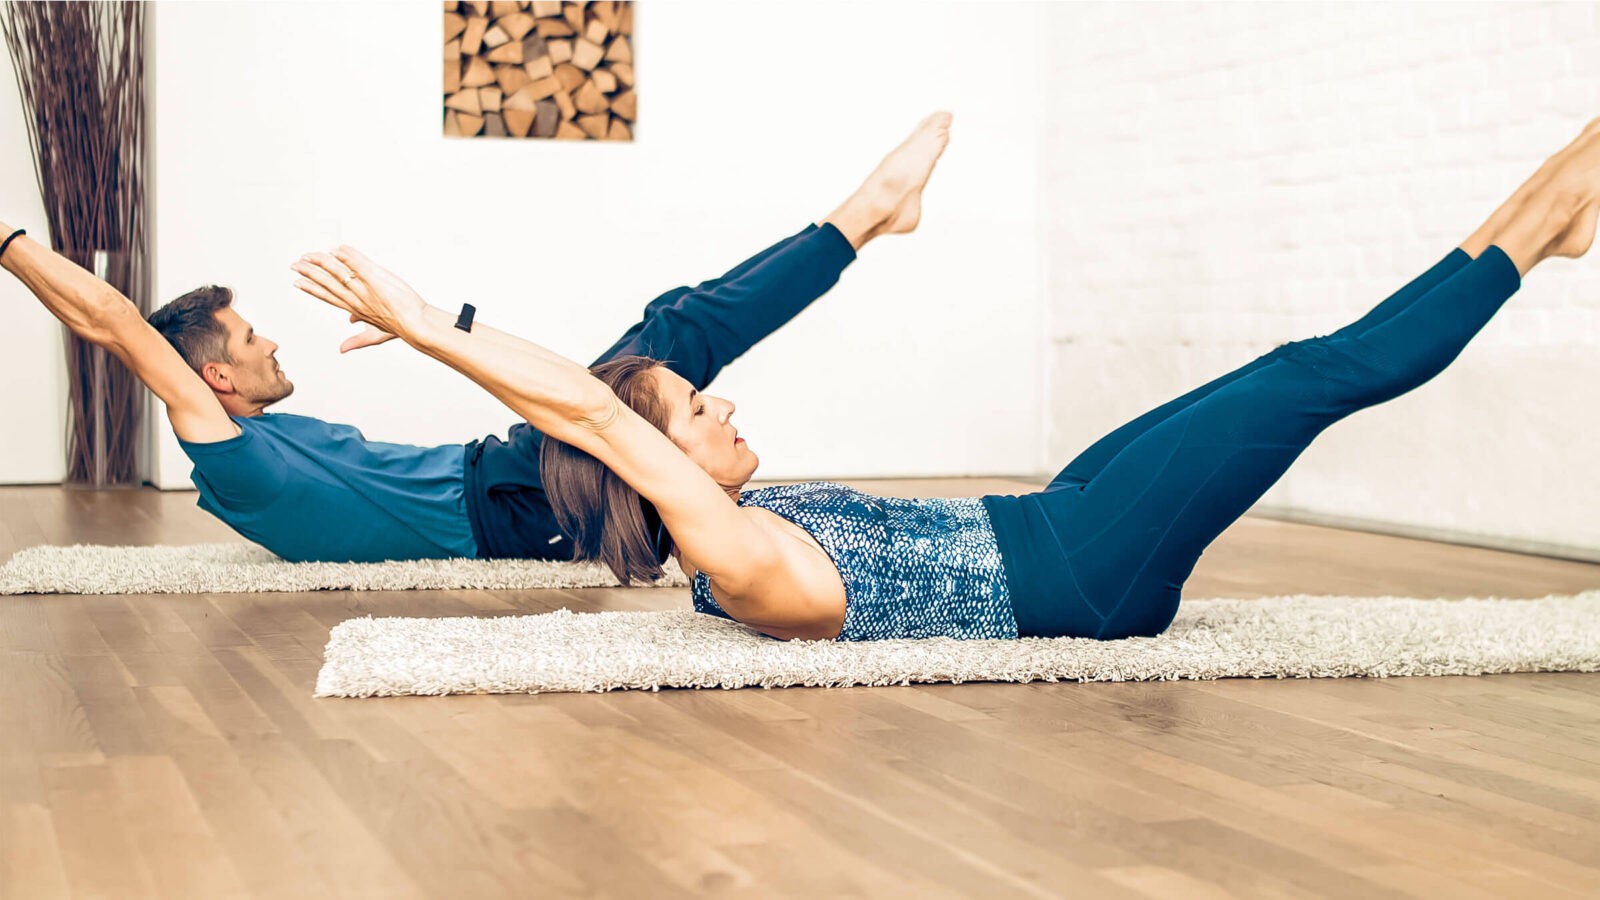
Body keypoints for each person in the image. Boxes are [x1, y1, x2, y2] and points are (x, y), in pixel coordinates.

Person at [289, 111, 1597, 642]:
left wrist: (439, 319)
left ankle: (1540, 217)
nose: (721, 402)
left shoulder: (727, 526)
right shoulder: (733, 558)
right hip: (1084, 577)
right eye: (695, 415)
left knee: (1273, 367)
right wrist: (426, 326)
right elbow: (585, 410)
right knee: (1314, 375)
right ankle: (1539, 225)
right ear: (662, 474)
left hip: (1043, 518)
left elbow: (590, 397)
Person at [0, 116, 951, 563]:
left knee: (668, 338)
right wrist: (8, 243)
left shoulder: (253, 447)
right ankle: (861, 217)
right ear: (212, 375)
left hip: (503, 482)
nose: (271, 345)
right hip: (510, 505)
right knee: (670, 342)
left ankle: (861, 222)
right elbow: (113, 322)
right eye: (250, 339)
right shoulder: (227, 453)